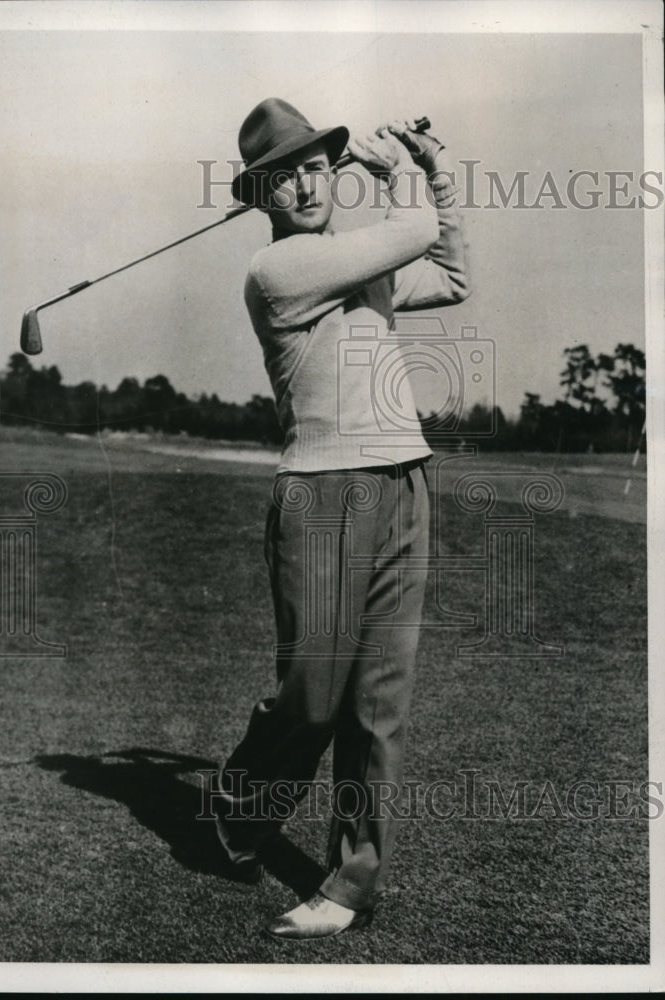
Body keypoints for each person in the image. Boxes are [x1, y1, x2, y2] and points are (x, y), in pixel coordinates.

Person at [211, 97, 469, 939]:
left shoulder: (357, 263)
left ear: (332, 171)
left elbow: (455, 276)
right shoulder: (277, 271)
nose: (306, 183)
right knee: (314, 698)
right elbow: (408, 235)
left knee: (376, 701)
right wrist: (399, 171)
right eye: (283, 175)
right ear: (261, 195)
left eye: (318, 164)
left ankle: (349, 884)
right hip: (321, 494)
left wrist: (430, 170)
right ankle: (244, 799)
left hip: (403, 481)